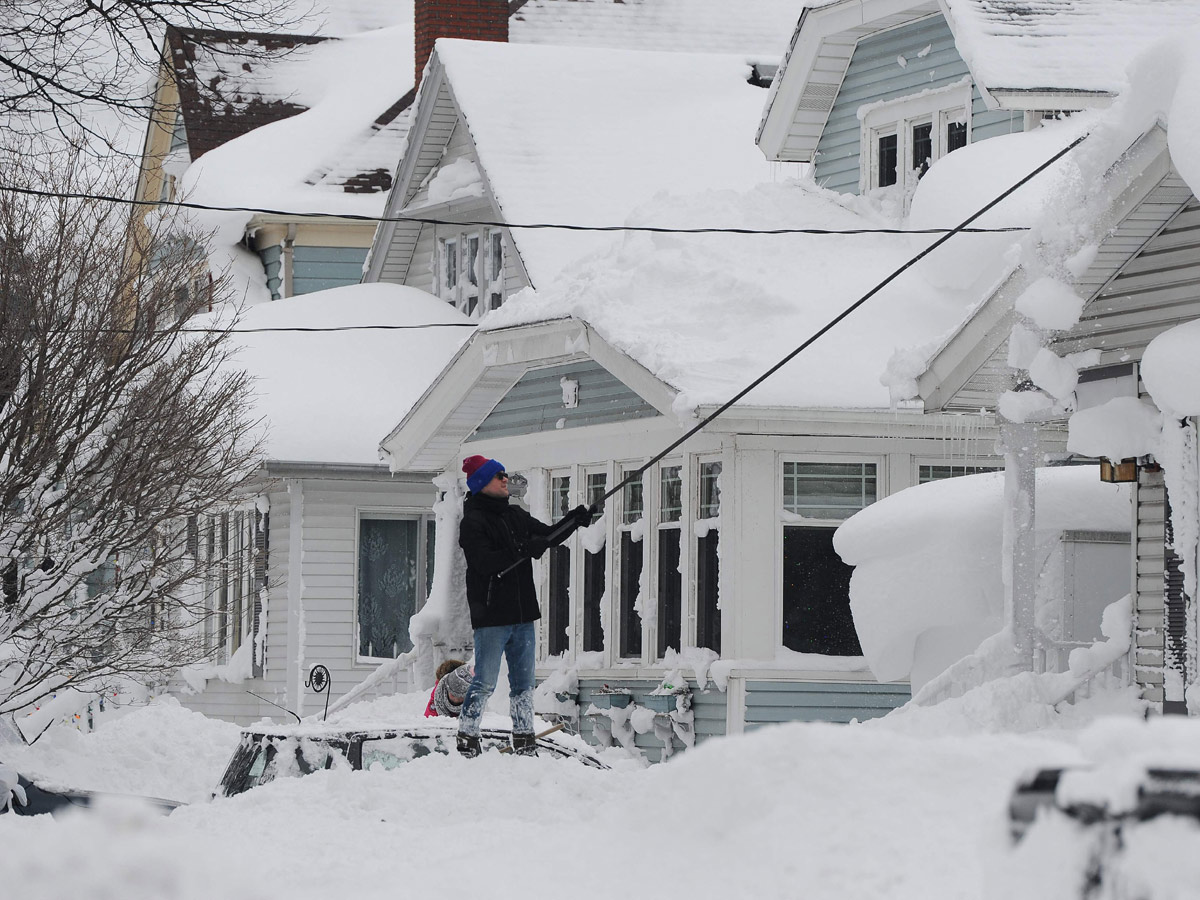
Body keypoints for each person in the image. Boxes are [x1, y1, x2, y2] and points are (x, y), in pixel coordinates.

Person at [456, 455, 592, 757]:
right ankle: (467, 739)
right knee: (485, 682)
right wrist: (522, 549)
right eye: (498, 475)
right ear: (482, 483)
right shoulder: (473, 523)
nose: (506, 479)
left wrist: (574, 520)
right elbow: (484, 562)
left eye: (505, 475)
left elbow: (547, 536)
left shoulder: (515, 515)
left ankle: (524, 741)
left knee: (523, 684)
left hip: (522, 615)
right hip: (491, 616)